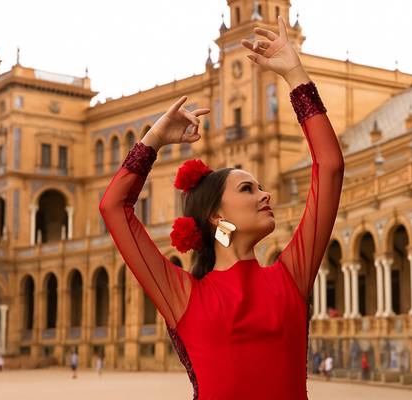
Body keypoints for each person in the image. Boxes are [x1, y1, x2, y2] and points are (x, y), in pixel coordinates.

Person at [98, 15, 343, 400]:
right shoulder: (185, 294)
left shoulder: (289, 278)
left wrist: (295, 75)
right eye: (248, 188)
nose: (265, 195)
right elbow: (113, 207)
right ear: (217, 216)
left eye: (261, 187)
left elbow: (329, 168)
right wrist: (155, 139)